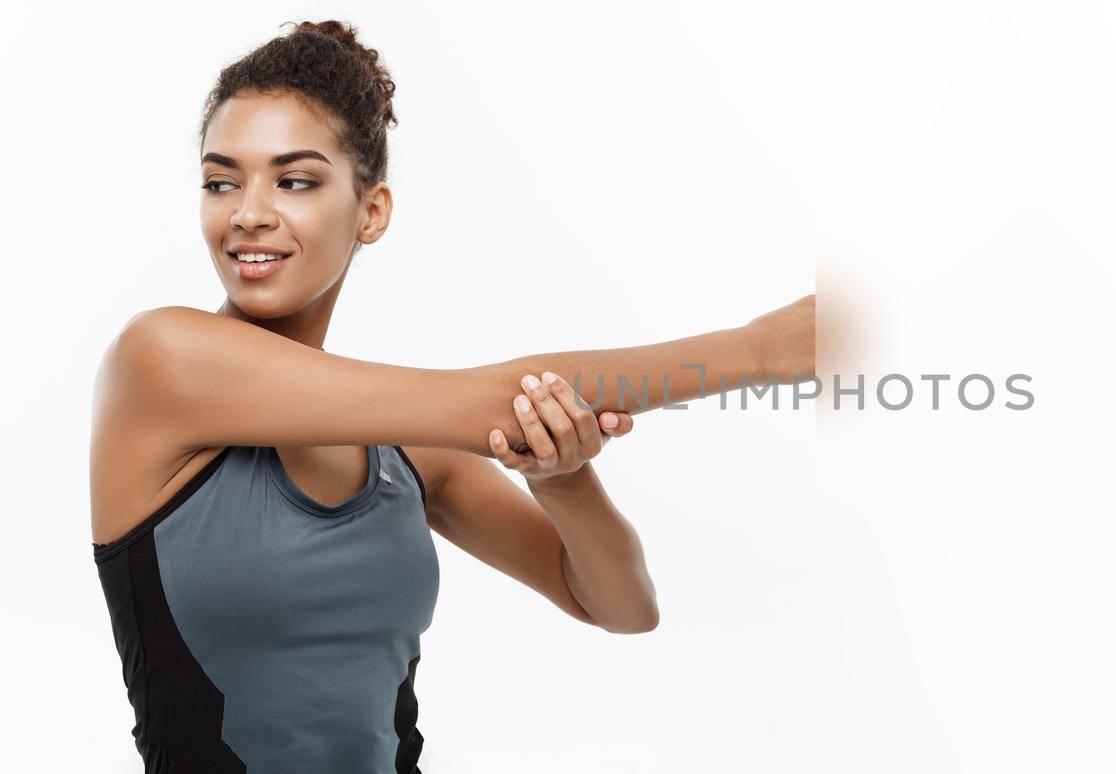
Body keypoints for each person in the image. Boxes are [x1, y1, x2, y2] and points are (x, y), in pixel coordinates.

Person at [88, 20, 816, 772]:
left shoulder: (404, 452)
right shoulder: (163, 362)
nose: (247, 212)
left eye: (294, 180)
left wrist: (560, 476)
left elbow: (622, 607)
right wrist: (763, 350)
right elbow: (499, 401)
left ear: (370, 212)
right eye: (221, 181)